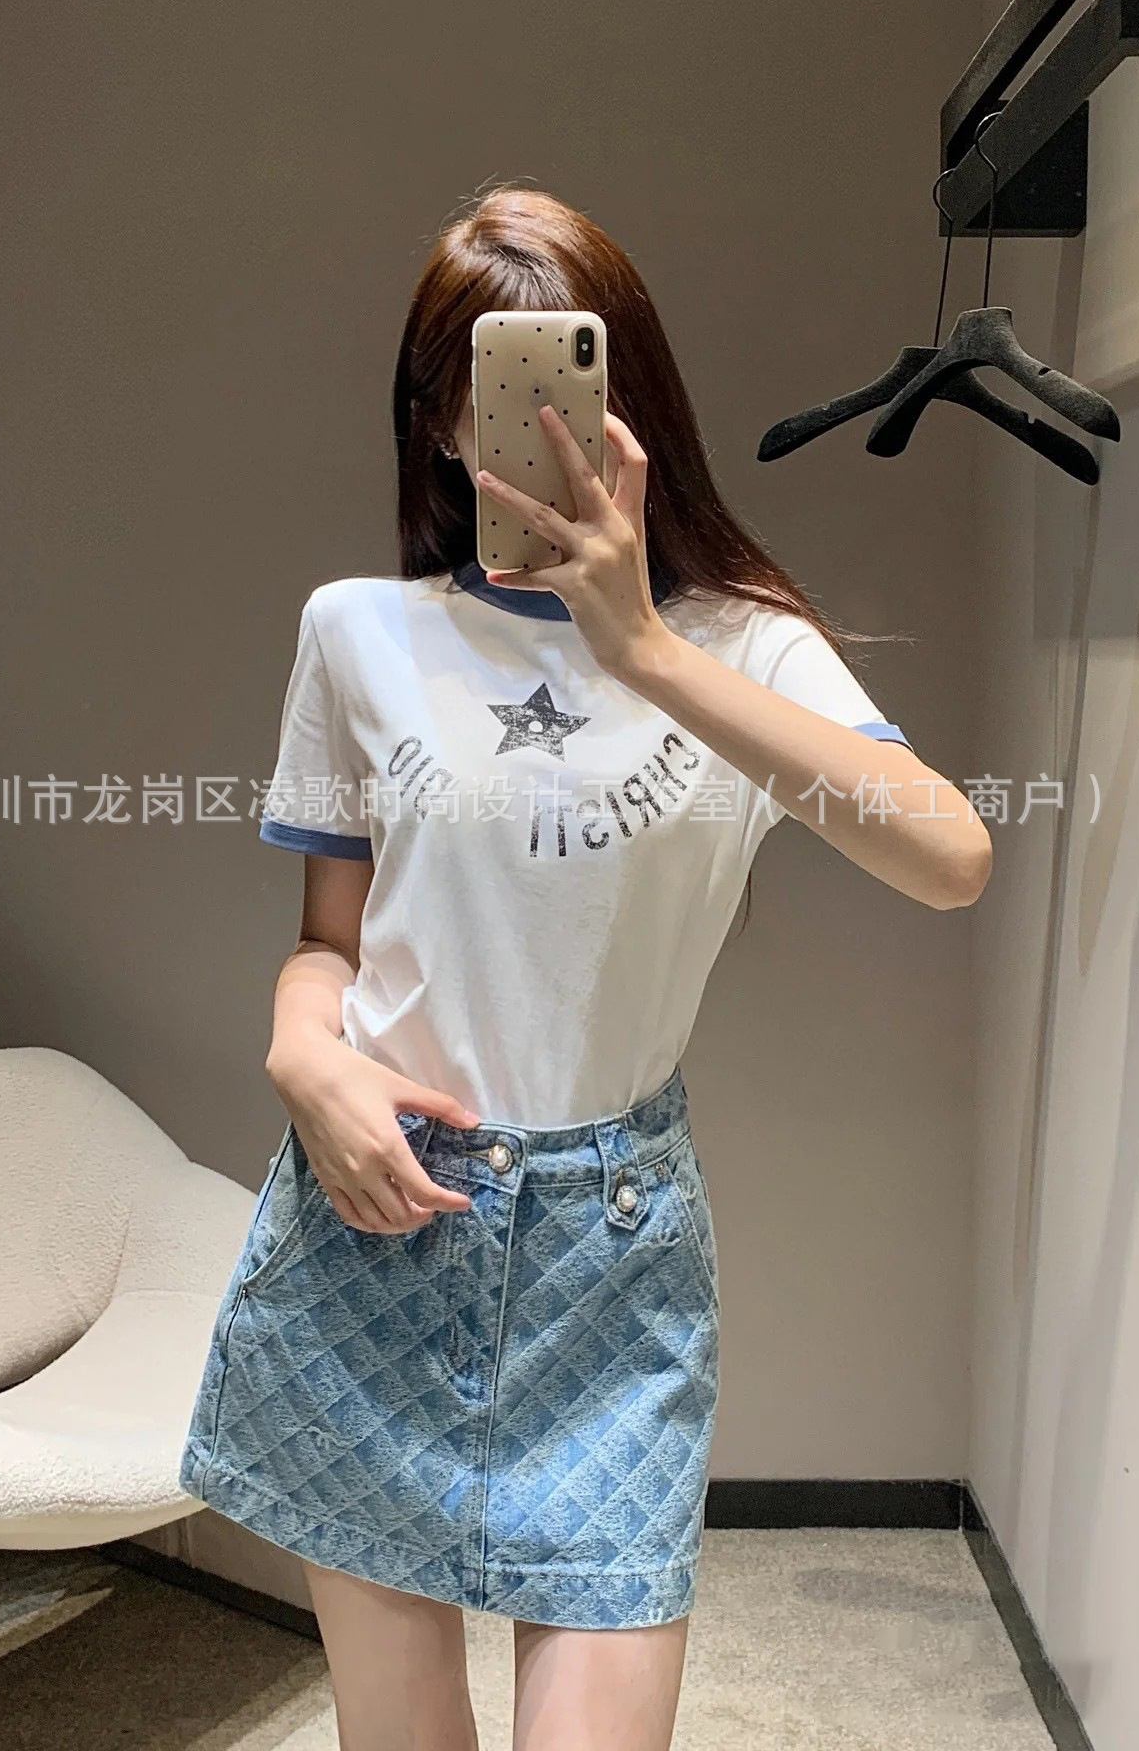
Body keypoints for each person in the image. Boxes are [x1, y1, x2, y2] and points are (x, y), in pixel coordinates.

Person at [180, 185, 992, 1751]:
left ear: (633, 405)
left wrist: (639, 650)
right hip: (375, 1226)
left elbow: (949, 856)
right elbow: (327, 947)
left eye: (569, 380)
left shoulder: (744, 643)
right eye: (484, 390)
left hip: (611, 1271)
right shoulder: (357, 634)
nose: (531, 431)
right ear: (436, 423)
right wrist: (304, 1059)